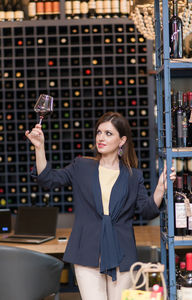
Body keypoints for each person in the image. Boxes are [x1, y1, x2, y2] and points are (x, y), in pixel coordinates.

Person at [25, 111, 176, 300]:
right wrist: (39, 147)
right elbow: (47, 180)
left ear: (122, 141)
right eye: (99, 132)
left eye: (108, 133)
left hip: (122, 255)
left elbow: (147, 211)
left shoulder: (132, 175)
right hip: (86, 253)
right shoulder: (81, 167)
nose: (101, 138)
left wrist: (160, 188)